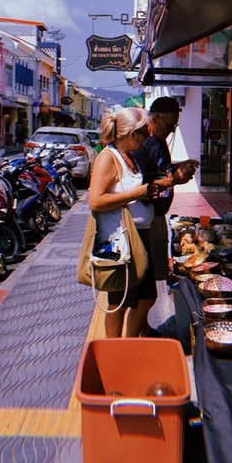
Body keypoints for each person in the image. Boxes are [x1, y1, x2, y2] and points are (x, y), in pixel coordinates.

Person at [88, 107, 158, 338]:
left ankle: (128, 344)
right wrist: (137, 194)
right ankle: (115, 350)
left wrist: (144, 194)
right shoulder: (107, 158)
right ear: (132, 134)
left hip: (138, 237)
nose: (147, 139)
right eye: (144, 134)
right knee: (120, 302)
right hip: (121, 240)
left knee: (146, 297)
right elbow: (96, 201)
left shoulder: (129, 156)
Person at [133, 97, 199, 286]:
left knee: (154, 281)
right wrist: (174, 180)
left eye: (174, 128)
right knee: (146, 284)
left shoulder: (159, 141)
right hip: (147, 219)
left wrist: (180, 166)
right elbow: (141, 183)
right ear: (153, 118)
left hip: (157, 216)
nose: (171, 132)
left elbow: (161, 169)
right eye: (169, 126)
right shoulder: (143, 144)